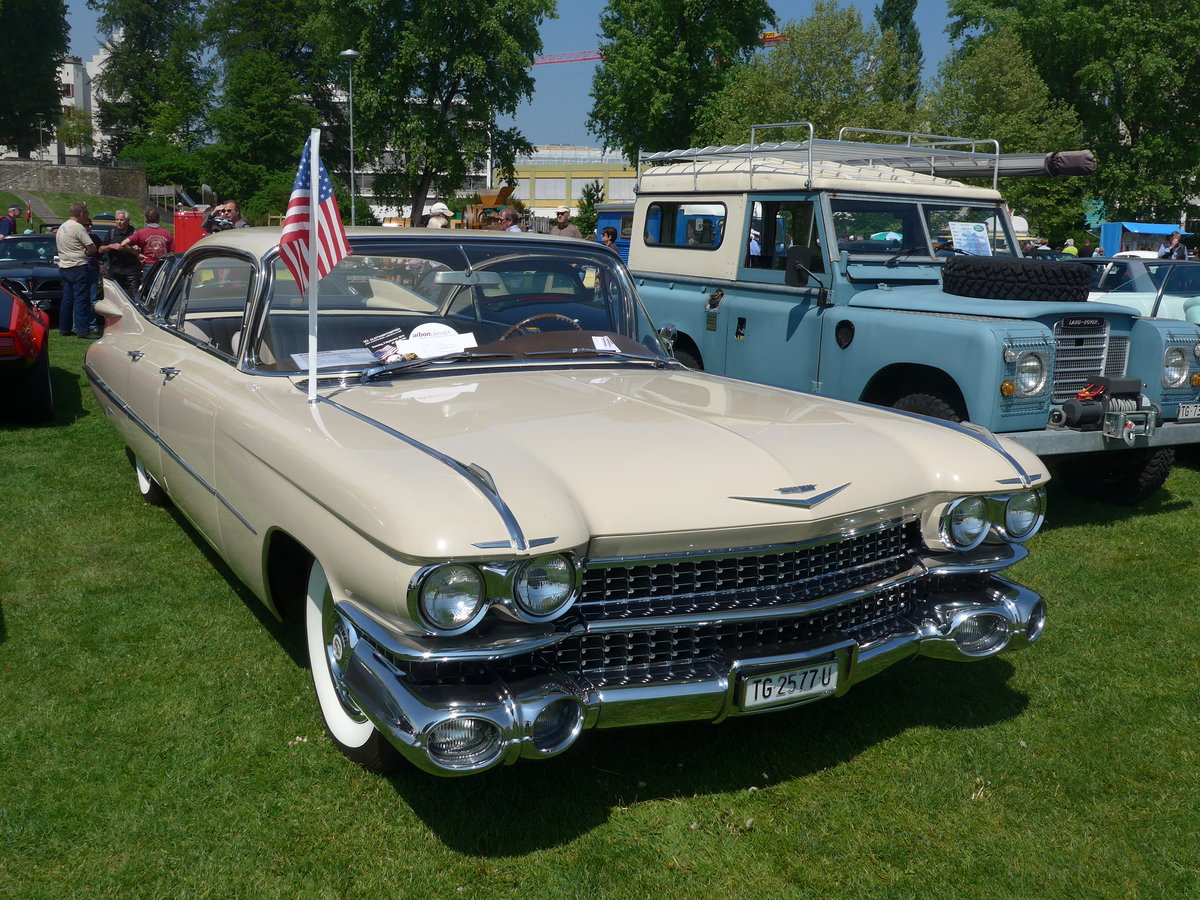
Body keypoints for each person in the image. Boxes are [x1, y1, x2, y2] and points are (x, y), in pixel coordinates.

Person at [55, 201, 98, 337]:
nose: (87, 217)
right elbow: (91, 247)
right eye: (86, 214)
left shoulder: (62, 227)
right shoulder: (78, 227)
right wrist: (87, 251)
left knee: (67, 299)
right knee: (81, 299)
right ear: (81, 214)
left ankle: (64, 328)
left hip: (65, 266)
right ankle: (82, 330)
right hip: (78, 266)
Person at [99, 209, 142, 297]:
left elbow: (141, 250)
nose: (119, 222)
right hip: (115, 271)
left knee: (133, 298)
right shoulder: (111, 233)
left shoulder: (135, 233)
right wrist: (110, 246)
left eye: (121, 220)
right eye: (117, 219)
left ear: (128, 221)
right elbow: (100, 249)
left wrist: (137, 248)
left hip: (131, 272)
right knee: (115, 298)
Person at [121, 208, 174, 272]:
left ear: (146, 220)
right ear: (159, 219)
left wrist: (137, 254)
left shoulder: (140, 233)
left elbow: (123, 243)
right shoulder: (167, 233)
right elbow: (172, 252)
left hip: (148, 264)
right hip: (163, 265)